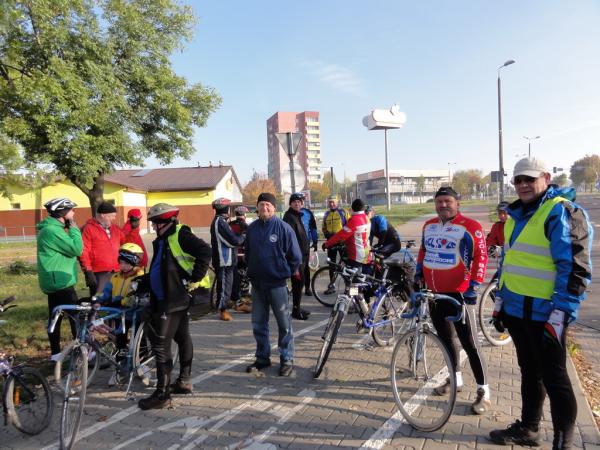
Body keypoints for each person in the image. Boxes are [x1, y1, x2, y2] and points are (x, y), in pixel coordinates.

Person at [489, 158, 593, 450]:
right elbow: (510, 262)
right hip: (516, 311)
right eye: (518, 180)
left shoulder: (561, 212)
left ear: (546, 178)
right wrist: (500, 302)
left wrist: (561, 314)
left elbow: (575, 270)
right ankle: (529, 429)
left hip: (547, 316)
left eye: (529, 179)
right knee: (529, 372)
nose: (523, 184)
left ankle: (563, 443)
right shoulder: (515, 216)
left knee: (555, 378)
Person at [415, 186, 490, 415]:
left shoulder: (471, 226)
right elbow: (423, 251)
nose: (443, 205)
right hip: (434, 294)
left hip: (459, 294)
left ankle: (484, 392)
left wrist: (474, 285)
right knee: (446, 340)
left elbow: (480, 256)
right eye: (439, 202)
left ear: (457, 203)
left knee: (470, 343)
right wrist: (418, 272)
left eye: (448, 201)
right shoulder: (429, 225)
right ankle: (455, 379)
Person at [136, 203, 211, 410]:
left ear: (166, 222)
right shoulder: (163, 240)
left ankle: (162, 394)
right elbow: (164, 268)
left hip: (173, 300)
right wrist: (145, 281)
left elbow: (205, 251)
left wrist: (196, 276)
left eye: (156, 223)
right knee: (182, 337)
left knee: (161, 346)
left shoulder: (180, 235)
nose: (153, 226)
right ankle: (184, 381)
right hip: (167, 298)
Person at [245, 192, 301, 377]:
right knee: (258, 324)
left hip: (277, 285)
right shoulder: (252, 229)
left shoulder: (283, 228)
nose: (264, 208)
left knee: (284, 324)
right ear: (257, 208)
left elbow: (295, 257)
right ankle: (262, 358)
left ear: (274, 208)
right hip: (257, 285)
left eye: (268, 205)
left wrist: (283, 273)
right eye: (261, 204)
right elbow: (248, 253)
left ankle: (287, 359)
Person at [37, 198, 83, 361]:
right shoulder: (52, 230)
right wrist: (74, 229)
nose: (74, 213)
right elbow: (76, 249)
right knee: (75, 317)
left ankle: (56, 354)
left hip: (55, 279)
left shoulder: (52, 228)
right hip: (60, 282)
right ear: (63, 213)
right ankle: (83, 352)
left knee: (55, 317)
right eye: (71, 210)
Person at [93, 243, 145, 386]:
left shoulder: (140, 276)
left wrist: (121, 301)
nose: (123, 266)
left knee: (139, 341)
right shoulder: (115, 277)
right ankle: (119, 369)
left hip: (134, 314)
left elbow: (134, 295)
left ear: (134, 262)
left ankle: (142, 364)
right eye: (121, 262)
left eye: (126, 263)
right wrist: (98, 300)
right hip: (119, 315)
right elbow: (107, 292)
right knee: (120, 341)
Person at [210, 198, 245, 321]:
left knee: (234, 283)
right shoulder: (220, 222)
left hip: (230, 259)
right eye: (229, 208)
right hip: (224, 260)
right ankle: (222, 310)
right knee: (225, 286)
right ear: (226, 209)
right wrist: (242, 237)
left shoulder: (223, 221)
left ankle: (238, 303)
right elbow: (233, 241)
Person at [80, 201, 125, 296]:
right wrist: (88, 270)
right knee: (99, 298)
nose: (114, 218)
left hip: (116, 270)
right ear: (103, 215)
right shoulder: (88, 229)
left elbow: (125, 243)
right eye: (111, 216)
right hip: (99, 272)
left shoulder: (115, 228)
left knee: (115, 297)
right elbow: (84, 251)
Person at [283, 193, 312, 320]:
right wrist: (294, 257)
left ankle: (297, 307)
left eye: (299, 202)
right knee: (298, 283)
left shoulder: (297, 215)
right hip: (296, 257)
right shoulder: (289, 217)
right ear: (290, 203)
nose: (297, 203)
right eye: (294, 202)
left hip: (303, 255)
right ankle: (296, 310)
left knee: (300, 282)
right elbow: (289, 240)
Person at [322, 198, 371, 271]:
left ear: (352, 208)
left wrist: (326, 244)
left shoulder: (354, 220)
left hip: (356, 254)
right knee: (363, 275)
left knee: (352, 276)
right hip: (366, 252)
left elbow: (341, 235)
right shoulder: (366, 218)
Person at [321, 195, 348, 294]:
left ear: (337, 202)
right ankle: (332, 286)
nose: (331, 204)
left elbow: (349, 225)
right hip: (331, 242)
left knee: (345, 265)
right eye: (330, 202)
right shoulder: (326, 214)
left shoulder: (343, 212)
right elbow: (323, 227)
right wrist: (327, 235)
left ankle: (348, 287)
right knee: (331, 265)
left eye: (333, 202)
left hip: (342, 242)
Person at [229, 206, 252, 313]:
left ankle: (235, 297)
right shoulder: (246, 226)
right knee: (245, 275)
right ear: (245, 215)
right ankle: (244, 297)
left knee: (235, 276)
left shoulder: (229, 225)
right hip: (242, 255)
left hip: (232, 254)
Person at [299, 196, 318, 296]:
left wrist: (315, 241)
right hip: (293, 244)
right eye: (297, 201)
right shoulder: (289, 214)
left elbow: (313, 228)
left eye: (301, 201)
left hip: (305, 244)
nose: (299, 203)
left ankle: (307, 287)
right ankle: (297, 287)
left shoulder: (308, 213)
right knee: (296, 266)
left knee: (305, 267)